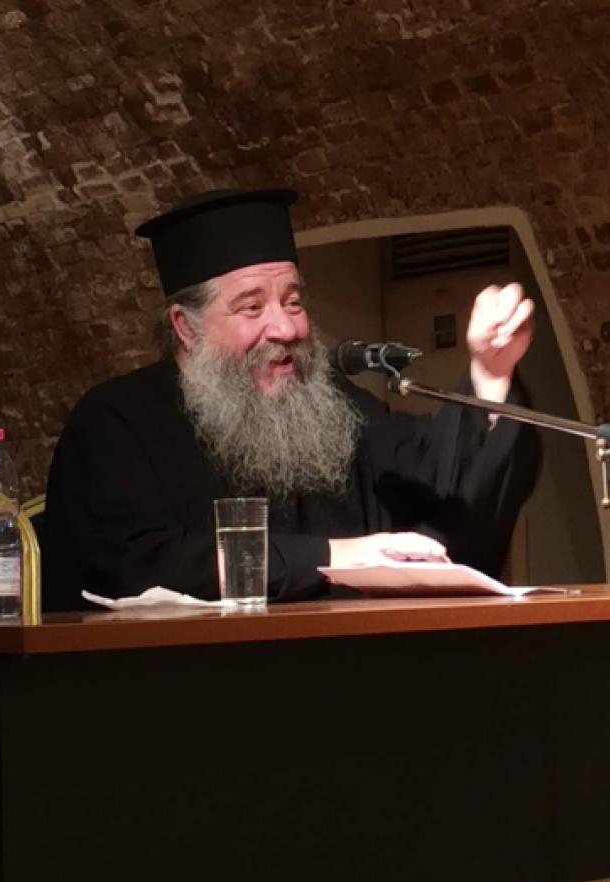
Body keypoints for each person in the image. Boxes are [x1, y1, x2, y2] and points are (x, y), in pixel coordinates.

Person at [42, 188, 541, 610]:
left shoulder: (332, 407)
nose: (284, 327)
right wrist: (335, 556)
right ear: (186, 328)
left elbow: (438, 484)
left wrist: (490, 371)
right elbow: (140, 566)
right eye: (251, 307)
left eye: (293, 302)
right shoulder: (115, 423)